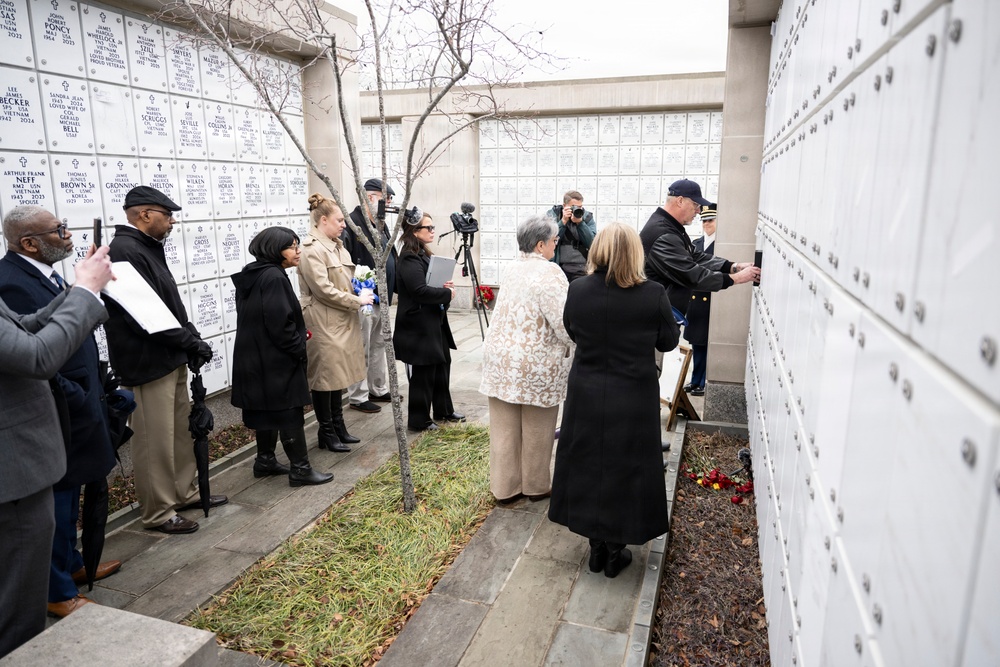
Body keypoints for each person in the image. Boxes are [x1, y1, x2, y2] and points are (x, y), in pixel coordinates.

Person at [0, 207, 121, 620]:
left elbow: (27, 325)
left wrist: (81, 288)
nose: (67, 235)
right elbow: (34, 356)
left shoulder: (41, 276)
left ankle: (70, 567)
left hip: (70, 409)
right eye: (58, 230)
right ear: (29, 243)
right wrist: (85, 292)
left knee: (63, 508)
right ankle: (57, 590)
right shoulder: (11, 279)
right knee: (45, 520)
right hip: (35, 432)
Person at [548, 223, 680, 579]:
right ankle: (616, 547)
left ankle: (595, 546)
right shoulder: (652, 293)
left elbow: (572, 330)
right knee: (628, 466)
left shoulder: (577, 289)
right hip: (633, 394)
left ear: (598, 251)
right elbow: (668, 342)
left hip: (587, 391)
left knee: (589, 461)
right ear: (636, 254)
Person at [104, 186, 226, 536]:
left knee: (178, 433)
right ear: (144, 214)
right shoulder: (123, 251)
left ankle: (184, 493)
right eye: (166, 215)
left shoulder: (146, 248)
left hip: (169, 355)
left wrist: (190, 336)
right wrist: (188, 340)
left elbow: (167, 304)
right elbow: (145, 316)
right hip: (146, 362)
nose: (171, 221)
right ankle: (158, 511)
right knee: (153, 440)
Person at [480, 215, 573, 503]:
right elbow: (563, 320)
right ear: (541, 244)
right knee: (538, 428)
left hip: (501, 359)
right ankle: (535, 486)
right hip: (537, 362)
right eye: (555, 241)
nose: (556, 246)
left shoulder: (512, 268)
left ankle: (504, 489)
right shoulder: (550, 272)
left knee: (504, 429)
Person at [230, 227, 333, 486]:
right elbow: (280, 322)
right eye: (292, 246)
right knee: (288, 410)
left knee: (268, 409)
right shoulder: (274, 277)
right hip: (275, 359)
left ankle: (264, 460)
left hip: (255, 357)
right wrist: (298, 346)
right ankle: (300, 469)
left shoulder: (253, 274)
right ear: (275, 250)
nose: (298, 251)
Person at [299, 194, 373, 451]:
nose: (344, 224)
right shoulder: (312, 249)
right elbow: (323, 290)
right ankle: (327, 432)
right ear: (323, 220)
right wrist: (357, 301)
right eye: (339, 220)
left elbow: (343, 282)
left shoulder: (337, 245)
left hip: (342, 320)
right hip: (323, 322)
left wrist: (362, 289)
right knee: (325, 378)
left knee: (339, 376)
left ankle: (339, 426)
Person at [639, 179, 758, 317]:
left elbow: (695, 256)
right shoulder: (663, 234)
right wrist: (736, 278)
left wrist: (733, 266)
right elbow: (691, 275)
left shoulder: (669, 227)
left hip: (662, 313)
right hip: (655, 317)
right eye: (695, 204)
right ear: (680, 201)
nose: (698, 211)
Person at [393, 213, 465, 432]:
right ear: (415, 231)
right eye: (428, 227)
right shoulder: (409, 256)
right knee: (424, 372)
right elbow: (418, 290)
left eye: (433, 226)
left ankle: (443, 410)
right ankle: (419, 420)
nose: (433, 230)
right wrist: (446, 294)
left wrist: (444, 287)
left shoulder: (422, 253)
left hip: (433, 320)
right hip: (418, 326)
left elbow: (428, 285)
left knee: (442, 363)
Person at [341, 178, 398, 414]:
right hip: (363, 297)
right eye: (387, 199)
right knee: (361, 346)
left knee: (378, 344)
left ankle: (377, 387)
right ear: (370, 197)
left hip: (381, 298)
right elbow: (346, 263)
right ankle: (358, 395)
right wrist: (358, 294)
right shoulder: (352, 224)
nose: (390, 203)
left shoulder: (380, 224)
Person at [683, 203, 717, 396]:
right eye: (704, 220)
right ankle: (696, 380)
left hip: (710, 300)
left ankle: (704, 382)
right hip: (695, 299)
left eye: (710, 220)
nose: (706, 224)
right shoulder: (696, 244)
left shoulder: (719, 245)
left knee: (706, 343)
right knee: (696, 343)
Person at [545, 189, 597, 282]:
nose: (577, 210)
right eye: (573, 207)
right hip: (559, 267)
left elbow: (592, 243)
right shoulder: (554, 215)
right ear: (564, 205)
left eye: (580, 207)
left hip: (582, 269)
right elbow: (548, 239)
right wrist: (563, 222)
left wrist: (581, 224)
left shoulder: (587, 217)